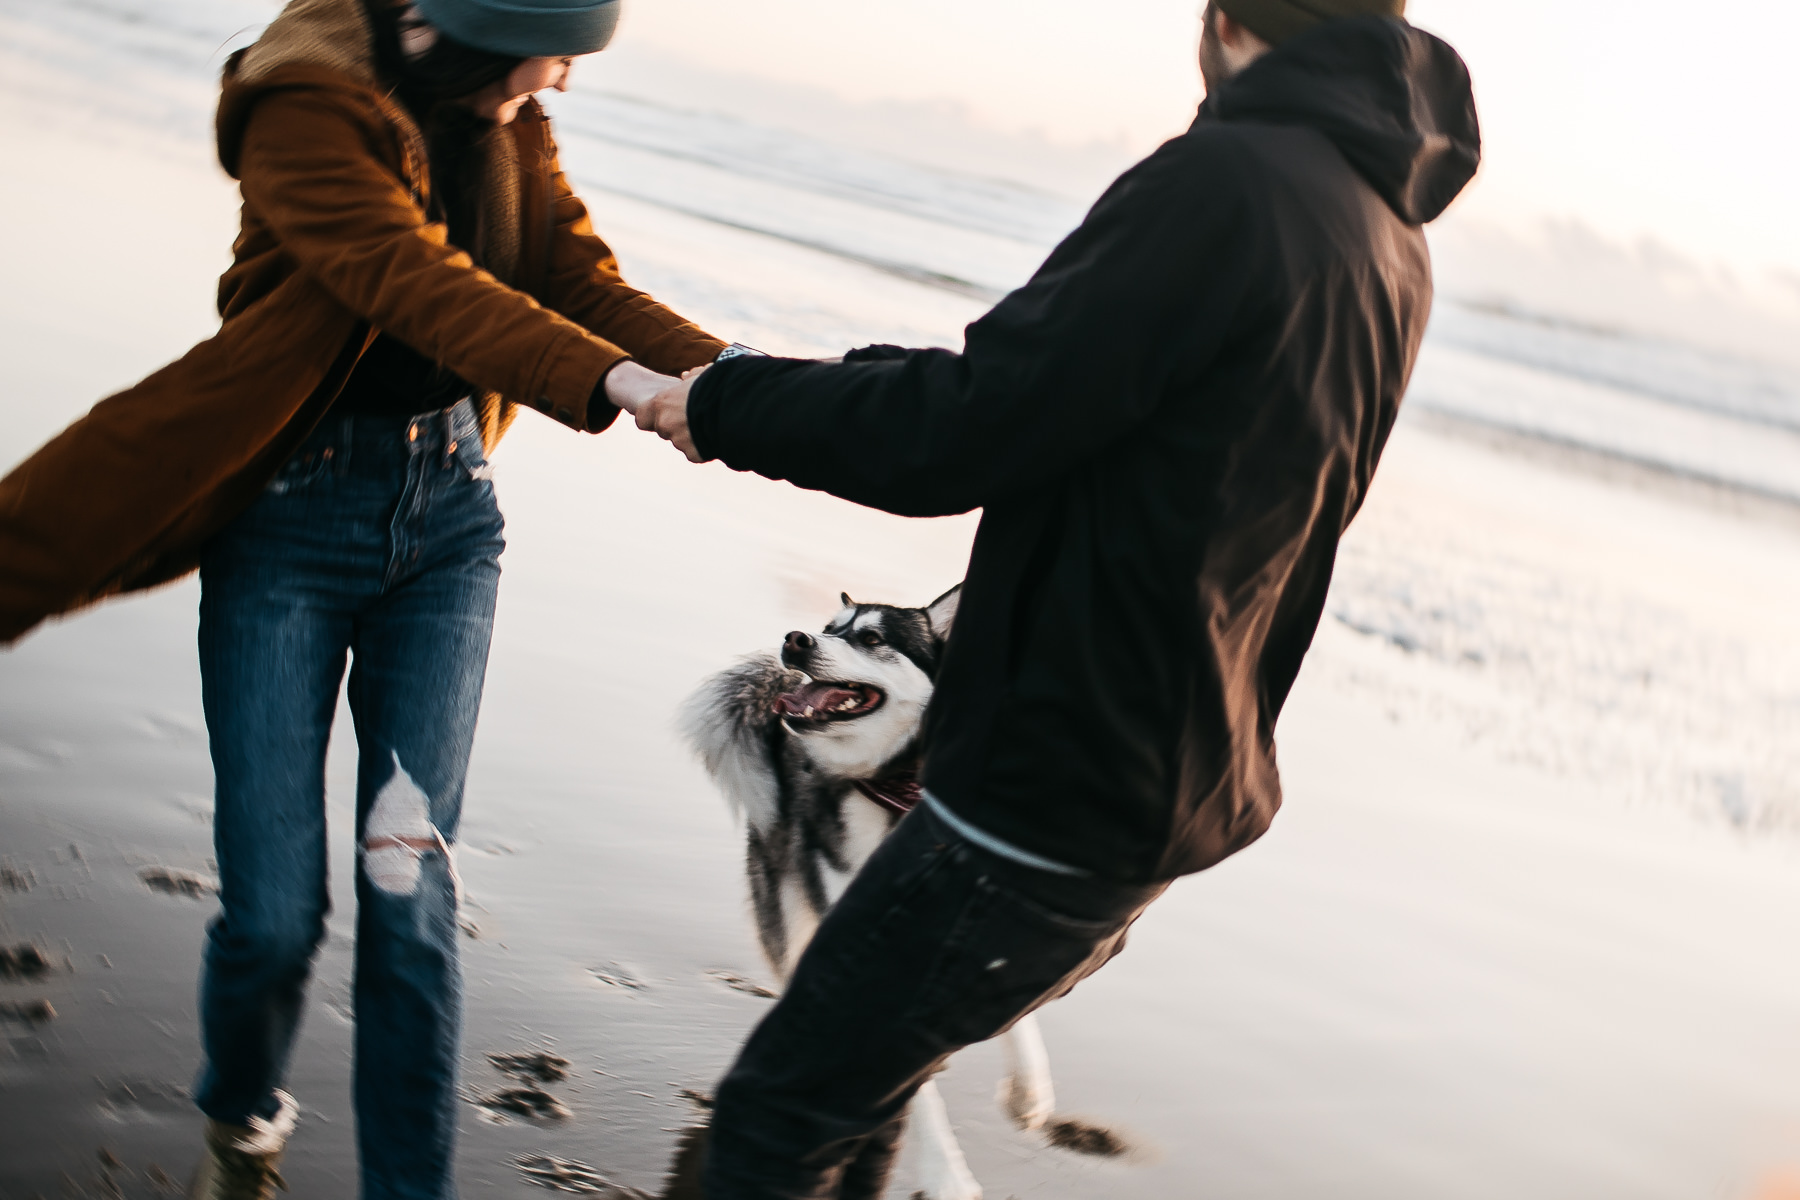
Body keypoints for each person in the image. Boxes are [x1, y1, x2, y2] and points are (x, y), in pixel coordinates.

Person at [631, 2, 1479, 1196]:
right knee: (854, 1104)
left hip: (1042, 798)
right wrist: (815, 385)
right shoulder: (1388, 237)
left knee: (772, 1126)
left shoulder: (1224, 183)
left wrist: (729, 405)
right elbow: (1063, 410)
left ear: (1225, 18)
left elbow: (972, 428)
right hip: (1152, 797)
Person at [0, 0, 733, 1195]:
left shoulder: (504, 113)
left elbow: (572, 278)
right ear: (483, 24)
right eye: (560, 51)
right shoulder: (306, 106)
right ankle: (240, 1112)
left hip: (447, 532)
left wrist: (744, 384)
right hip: (291, 530)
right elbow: (411, 282)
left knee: (409, 889)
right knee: (274, 921)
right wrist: (615, 384)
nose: (564, 82)